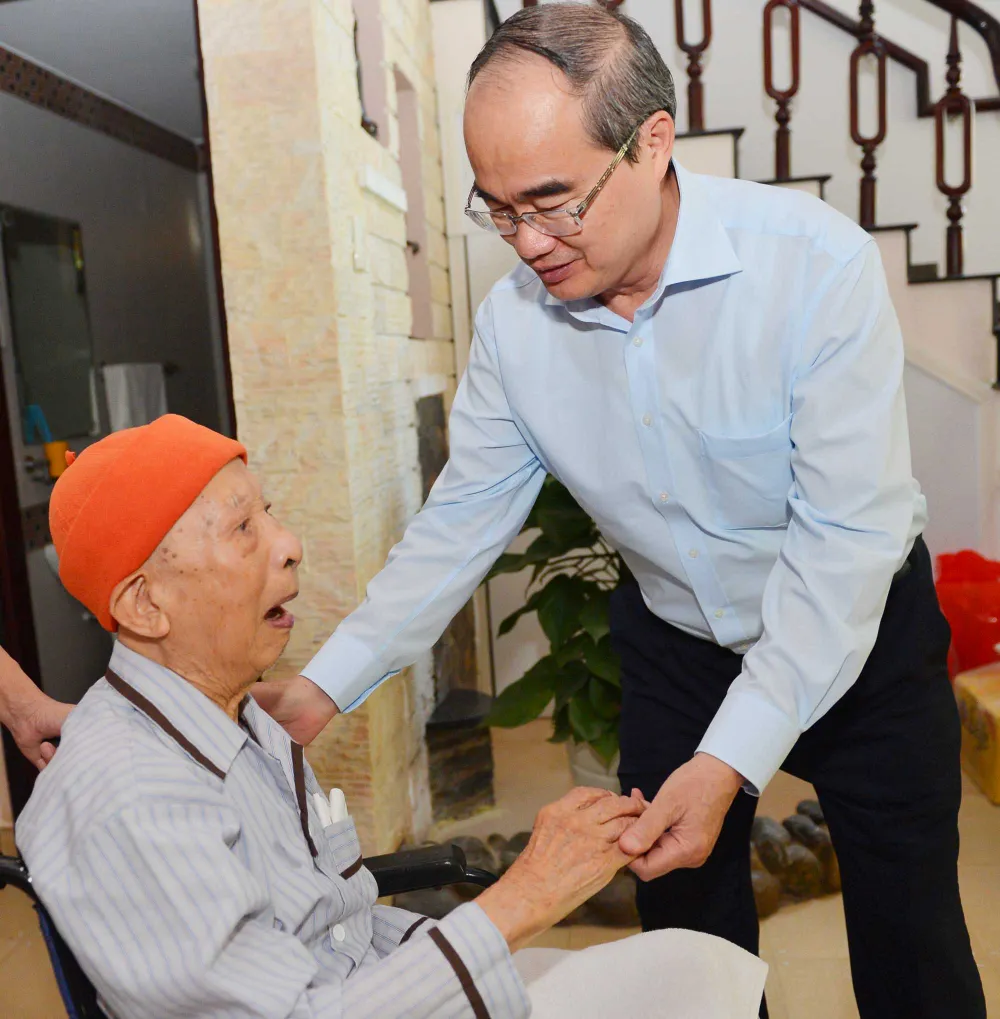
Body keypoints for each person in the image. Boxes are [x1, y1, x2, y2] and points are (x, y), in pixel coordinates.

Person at [243, 6, 983, 1018]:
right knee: (682, 935)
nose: (527, 242)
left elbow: (843, 546)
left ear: (652, 141)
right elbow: (457, 529)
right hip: (677, 646)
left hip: (862, 636)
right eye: (499, 210)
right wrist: (322, 688)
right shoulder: (516, 330)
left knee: (913, 943)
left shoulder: (814, 267)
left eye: (553, 203)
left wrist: (729, 760)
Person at [13, 414, 659, 1019]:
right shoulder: (131, 800)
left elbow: (336, 931)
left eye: (268, 512)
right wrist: (525, 897)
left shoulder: (240, 715)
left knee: (681, 970)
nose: (289, 544)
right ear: (145, 605)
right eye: (243, 528)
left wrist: (492, 929)